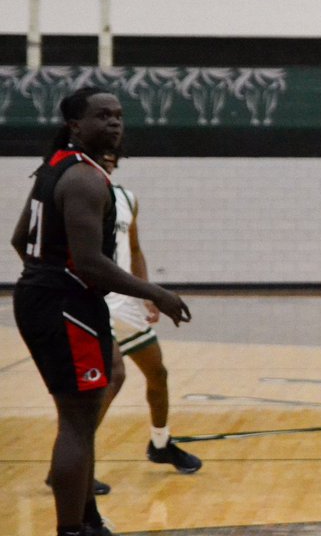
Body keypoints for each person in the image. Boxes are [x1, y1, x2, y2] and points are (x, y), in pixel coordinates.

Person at [11, 87, 191, 536]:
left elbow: (20, 239)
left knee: (107, 379)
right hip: (65, 304)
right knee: (77, 420)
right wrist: (158, 294)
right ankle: (73, 528)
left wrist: (45, 276)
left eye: (118, 116)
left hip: (53, 298)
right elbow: (90, 262)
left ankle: (87, 517)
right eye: (102, 116)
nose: (114, 123)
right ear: (75, 124)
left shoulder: (57, 168)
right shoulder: (85, 180)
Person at [93, 150, 202, 477]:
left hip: (126, 300)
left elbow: (136, 250)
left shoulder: (127, 198)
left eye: (112, 153)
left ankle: (160, 443)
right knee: (112, 378)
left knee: (158, 372)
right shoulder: (78, 192)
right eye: (101, 153)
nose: (108, 157)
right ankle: (73, 461)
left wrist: (147, 294)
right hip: (95, 299)